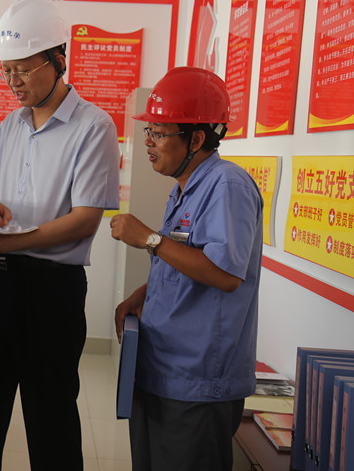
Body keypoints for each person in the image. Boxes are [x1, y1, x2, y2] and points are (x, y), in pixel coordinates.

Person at [0, 0, 120, 470]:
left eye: (23, 70)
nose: (13, 82)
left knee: (51, 422)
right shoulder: (11, 125)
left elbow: (85, 219)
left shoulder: (94, 127)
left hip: (51, 293)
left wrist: (3, 241)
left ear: (59, 60)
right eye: (6, 71)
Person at [110, 66, 263, 471]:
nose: (148, 141)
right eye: (149, 131)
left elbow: (225, 274)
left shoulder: (228, 185)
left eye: (159, 133)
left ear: (196, 139)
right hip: (161, 367)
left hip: (197, 381)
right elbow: (184, 263)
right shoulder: (184, 189)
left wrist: (148, 238)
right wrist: (142, 295)